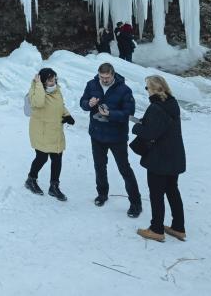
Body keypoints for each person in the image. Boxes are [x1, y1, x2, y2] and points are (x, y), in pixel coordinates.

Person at [80, 62, 142, 217]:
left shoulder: (124, 90)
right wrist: (89, 103)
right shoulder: (92, 84)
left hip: (117, 136)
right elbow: (83, 103)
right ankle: (102, 194)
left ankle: (136, 203)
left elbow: (129, 112)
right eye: (102, 77)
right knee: (99, 166)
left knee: (124, 169)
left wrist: (111, 114)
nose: (104, 80)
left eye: (107, 77)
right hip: (97, 134)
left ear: (113, 75)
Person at [132, 75, 187, 243]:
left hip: (159, 158)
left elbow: (150, 133)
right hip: (175, 155)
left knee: (156, 194)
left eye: (147, 88)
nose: (146, 91)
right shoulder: (172, 103)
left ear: (154, 89)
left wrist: (136, 126)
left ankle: (156, 229)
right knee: (172, 191)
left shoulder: (155, 108)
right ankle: (178, 227)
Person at [24, 68, 75, 201]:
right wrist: (38, 84)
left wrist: (67, 115)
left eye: (54, 80)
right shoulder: (35, 92)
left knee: (57, 158)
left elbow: (60, 105)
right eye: (49, 80)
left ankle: (54, 186)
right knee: (42, 158)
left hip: (55, 131)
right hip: (41, 131)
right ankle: (31, 179)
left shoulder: (56, 90)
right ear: (42, 81)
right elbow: (39, 103)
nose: (53, 83)